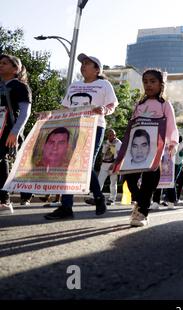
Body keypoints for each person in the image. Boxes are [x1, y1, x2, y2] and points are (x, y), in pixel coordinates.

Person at [44, 53, 118, 220]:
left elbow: (112, 104)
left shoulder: (104, 84)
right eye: (82, 63)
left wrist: (104, 110)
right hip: (72, 128)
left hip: (94, 127)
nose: (83, 66)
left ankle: (95, 198)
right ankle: (68, 207)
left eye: (87, 63)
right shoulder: (74, 86)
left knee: (84, 165)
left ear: (97, 69)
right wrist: (48, 118)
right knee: (69, 164)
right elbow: (64, 108)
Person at [123, 69, 178, 227]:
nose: (148, 85)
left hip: (155, 149)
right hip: (136, 148)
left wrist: (172, 143)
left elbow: (171, 124)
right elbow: (132, 125)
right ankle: (140, 202)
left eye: (152, 81)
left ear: (161, 84)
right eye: (145, 81)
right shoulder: (139, 104)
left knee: (150, 180)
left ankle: (142, 212)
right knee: (130, 178)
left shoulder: (164, 105)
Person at [0, 54, 32, 214]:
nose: (0, 65)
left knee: (1, 159)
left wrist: (15, 132)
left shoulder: (20, 87)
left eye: (5, 63)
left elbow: (25, 112)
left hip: (9, 131)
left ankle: (4, 200)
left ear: (16, 69)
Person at [85, 128, 122, 206]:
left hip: (113, 165)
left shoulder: (118, 143)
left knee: (113, 183)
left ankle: (112, 199)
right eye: (108, 135)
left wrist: (114, 165)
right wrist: (102, 160)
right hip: (105, 165)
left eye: (111, 135)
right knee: (99, 181)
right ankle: (95, 198)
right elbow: (103, 153)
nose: (109, 136)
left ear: (115, 135)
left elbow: (119, 156)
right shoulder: (105, 142)